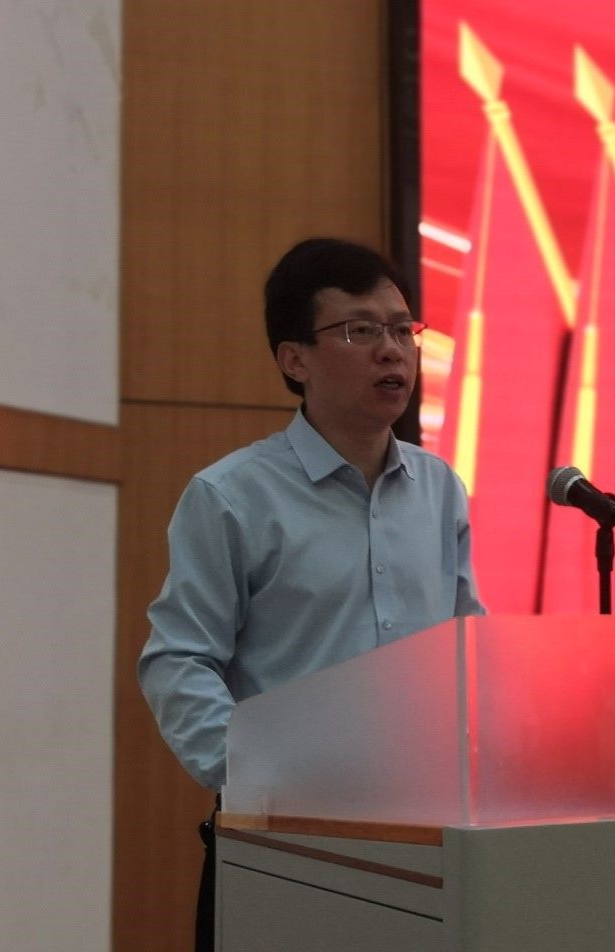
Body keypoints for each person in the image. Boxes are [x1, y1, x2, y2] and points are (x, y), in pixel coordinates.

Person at [137, 237, 485, 951]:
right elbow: (177, 661)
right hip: (282, 844)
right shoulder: (232, 497)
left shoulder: (440, 490)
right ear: (294, 360)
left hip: (424, 837)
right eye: (361, 331)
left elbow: (467, 650)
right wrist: (254, 779)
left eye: (403, 330)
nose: (392, 351)